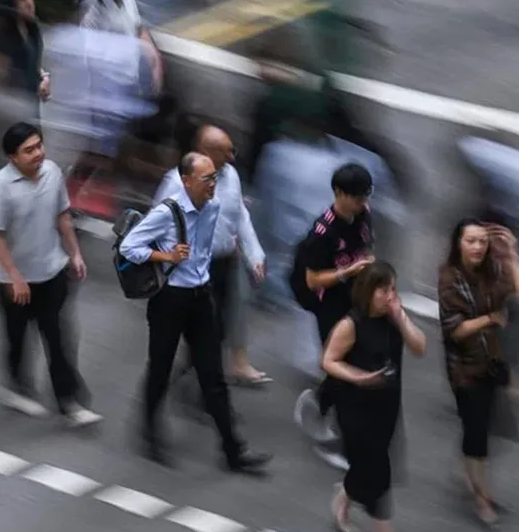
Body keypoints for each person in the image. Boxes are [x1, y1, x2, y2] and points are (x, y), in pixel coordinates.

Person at [119, 152, 271, 473]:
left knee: (213, 376)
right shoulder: (166, 212)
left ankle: (233, 451)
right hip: (170, 300)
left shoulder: (213, 207)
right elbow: (129, 246)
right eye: (207, 179)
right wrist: (166, 255)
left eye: (215, 177)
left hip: (201, 298)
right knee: (160, 368)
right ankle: (150, 433)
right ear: (186, 181)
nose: (213, 185)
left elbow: (214, 244)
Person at [0, 122, 99, 426]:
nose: (38, 153)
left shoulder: (53, 173)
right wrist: (14, 276)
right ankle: (15, 383)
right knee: (17, 339)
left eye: (39, 146)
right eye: (28, 150)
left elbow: (63, 216)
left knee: (59, 339)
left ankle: (69, 402)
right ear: (12, 158)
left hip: (51, 272)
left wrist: (75, 253)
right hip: (12, 281)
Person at [152, 125, 269, 384]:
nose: (232, 157)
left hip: (223, 264)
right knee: (206, 332)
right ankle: (202, 390)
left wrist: (255, 255)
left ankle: (192, 375)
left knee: (217, 329)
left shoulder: (231, 176)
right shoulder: (177, 182)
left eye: (232, 150)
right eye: (224, 152)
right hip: (193, 269)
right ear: (204, 151)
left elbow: (240, 216)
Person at [323, 261, 426, 532]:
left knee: (367, 466)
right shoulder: (350, 324)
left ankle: (344, 495)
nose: (390, 296)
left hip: (387, 406)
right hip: (355, 409)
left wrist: (401, 316)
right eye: (384, 290)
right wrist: (359, 377)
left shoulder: (394, 318)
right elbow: (329, 360)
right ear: (368, 291)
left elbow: (420, 348)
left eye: (393, 289)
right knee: (379, 471)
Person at [435, 218, 519, 528]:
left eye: (482, 242)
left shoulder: (492, 272)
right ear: (458, 243)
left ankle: (468, 477)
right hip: (466, 370)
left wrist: (513, 254)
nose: (477, 247)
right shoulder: (450, 278)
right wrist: (491, 318)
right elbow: (456, 330)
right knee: (478, 437)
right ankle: (481, 499)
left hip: (492, 361)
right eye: (470, 241)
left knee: (489, 429)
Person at [293, 163, 376, 467]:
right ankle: (336, 444)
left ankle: (319, 401)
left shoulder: (363, 215)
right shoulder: (323, 232)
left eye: (365, 197)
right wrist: (348, 271)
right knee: (346, 368)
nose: (362, 204)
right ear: (339, 194)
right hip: (329, 306)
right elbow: (313, 280)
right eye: (356, 197)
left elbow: (366, 246)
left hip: (356, 300)